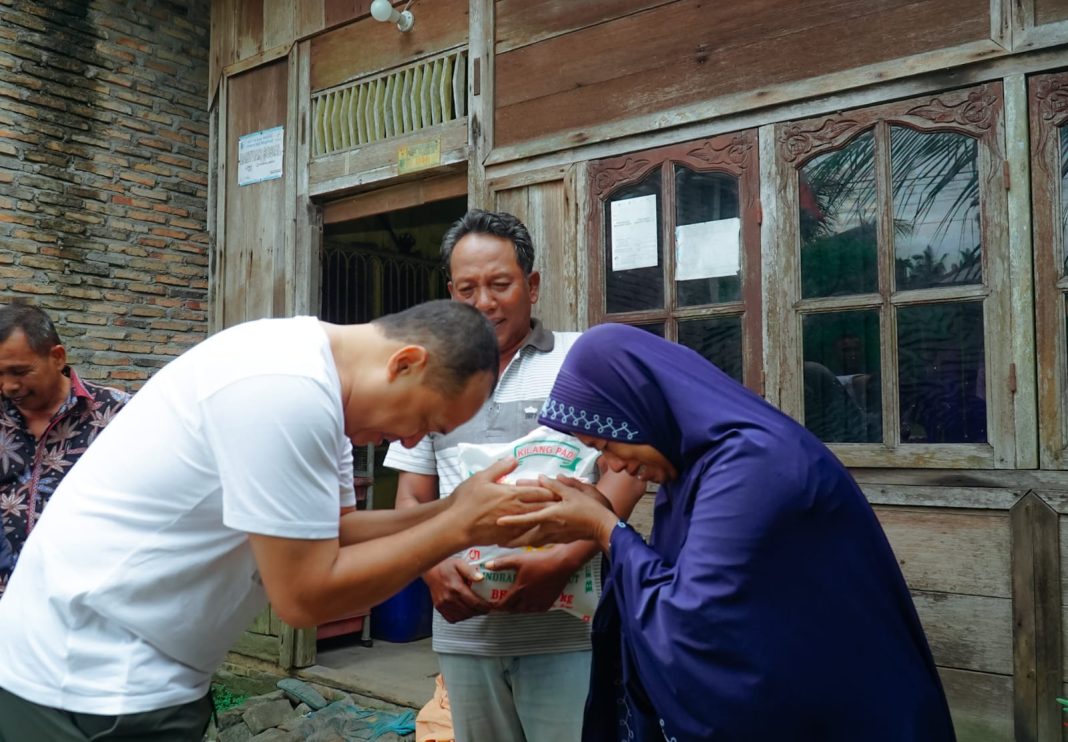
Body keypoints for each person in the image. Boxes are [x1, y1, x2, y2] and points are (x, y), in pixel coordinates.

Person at [0, 300, 554, 742]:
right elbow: (304, 596)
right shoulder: (284, 389)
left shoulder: (322, 390)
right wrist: (456, 530)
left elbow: (330, 534)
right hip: (86, 680)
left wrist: (453, 510)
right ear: (404, 363)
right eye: (425, 419)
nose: (411, 441)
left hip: (141, 668)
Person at [501, 324, 957, 741]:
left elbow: (690, 629)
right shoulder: (693, 471)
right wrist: (603, 519)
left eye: (606, 445)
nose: (612, 466)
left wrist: (605, 528)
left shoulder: (752, 465)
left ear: (636, 407)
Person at [385, 210, 644, 742]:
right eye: (468, 289)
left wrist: (562, 560)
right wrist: (431, 567)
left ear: (531, 285)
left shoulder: (582, 362)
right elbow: (411, 496)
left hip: (570, 630)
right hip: (467, 634)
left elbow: (628, 474)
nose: (484, 303)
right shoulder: (426, 377)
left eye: (500, 285)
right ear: (450, 292)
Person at [0, 302, 130, 597]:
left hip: (83, 605)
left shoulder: (120, 416)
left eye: (19, 371)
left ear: (57, 357)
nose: (8, 386)